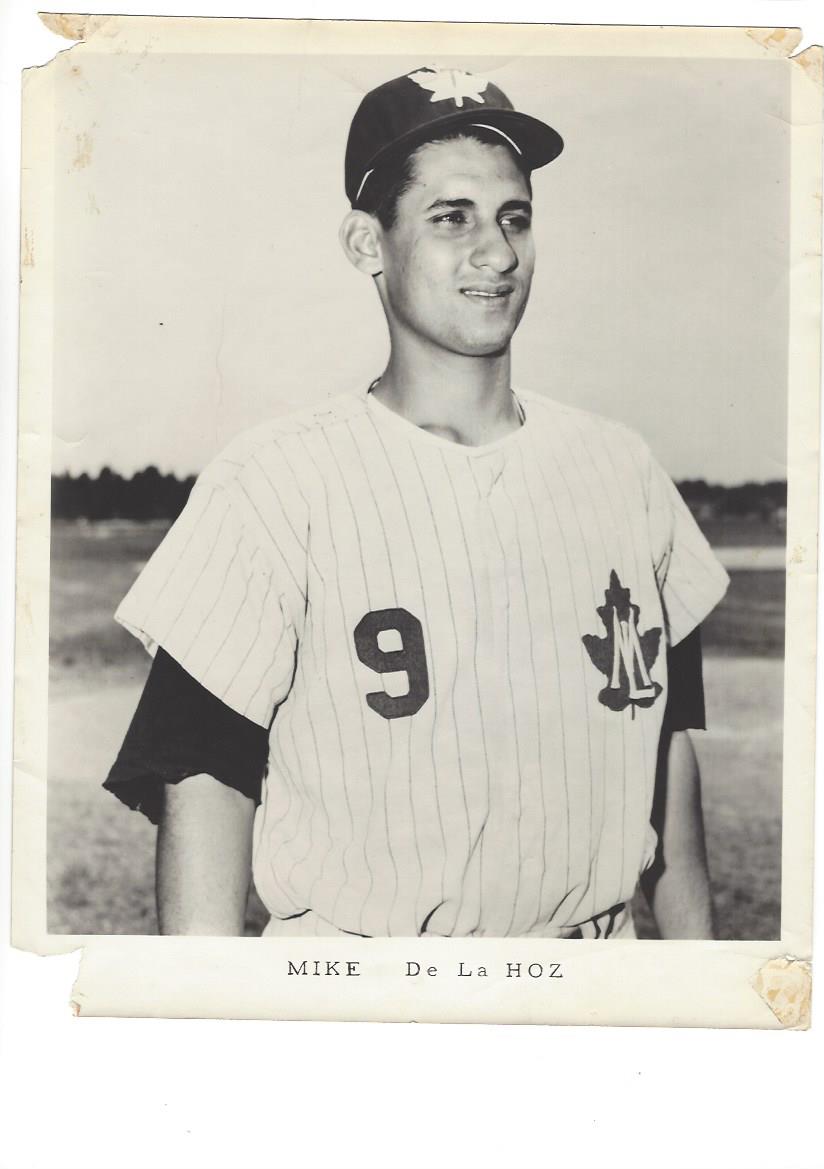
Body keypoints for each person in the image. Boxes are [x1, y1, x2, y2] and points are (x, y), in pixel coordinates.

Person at [105, 65, 729, 939]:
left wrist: (703, 981)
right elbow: (203, 777)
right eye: (451, 217)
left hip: (586, 971)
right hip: (363, 981)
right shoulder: (275, 483)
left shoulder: (624, 473)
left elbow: (668, 767)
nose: (497, 253)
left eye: (515, 218)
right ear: (367, 243)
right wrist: (205, 1003)